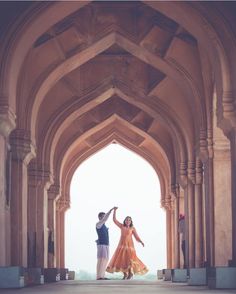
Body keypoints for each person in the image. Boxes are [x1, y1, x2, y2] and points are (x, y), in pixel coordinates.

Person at [106, 207, 148, 279]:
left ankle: (130, 273)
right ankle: (125, 274)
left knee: (129, 259)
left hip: (129, 246)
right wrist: (115, 211)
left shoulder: (132, 228)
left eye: (129, 220)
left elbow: (136, 237)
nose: (128, 221)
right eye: (126, 220)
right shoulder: (122, 226)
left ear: (131, 221)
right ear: (124, 221)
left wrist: (141, 242)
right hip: (121, 245)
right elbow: (114, 220)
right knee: (121, 259)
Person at [96, 207, 116, 280]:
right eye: (103, 216)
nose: (105, 218)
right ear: (100, 217)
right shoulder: (98, 224)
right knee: (101, 260)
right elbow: (105, 219)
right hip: (102, 245)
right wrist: (110, 211)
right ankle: (99, 276)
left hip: (106, 244)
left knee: (105, 259)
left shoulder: (103, 225)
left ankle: (102, 275)